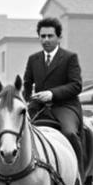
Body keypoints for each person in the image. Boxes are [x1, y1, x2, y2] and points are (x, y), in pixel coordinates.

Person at [21, 17, 83, 170]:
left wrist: (52, 94)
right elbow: (27, 84)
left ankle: (77, 180)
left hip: (65, 106)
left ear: (59, 37)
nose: (46, 40)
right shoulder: (33, 59)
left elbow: (76, 85)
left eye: (50, 36)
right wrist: (28, 99)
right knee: (17, 133)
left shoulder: (70, 58)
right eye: (42, 36)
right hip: (38, 107)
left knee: (70, 134)